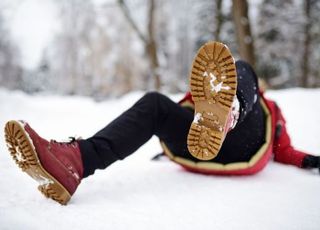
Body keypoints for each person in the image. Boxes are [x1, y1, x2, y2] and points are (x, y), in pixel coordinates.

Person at [4, 41, 319, 205]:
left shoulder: (270, 107)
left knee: (243, 66)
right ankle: (75, 162)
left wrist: (310, 160)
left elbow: (284, 149)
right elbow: (285, 149)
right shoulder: (217, 104)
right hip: (203, 148)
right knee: (156, 103)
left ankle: (231, 111)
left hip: (241, 145)